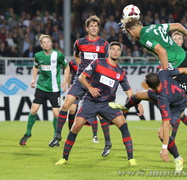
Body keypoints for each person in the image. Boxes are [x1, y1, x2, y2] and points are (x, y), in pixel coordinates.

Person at [123, 18, 187, 153]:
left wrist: (165, 72)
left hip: (178, 64)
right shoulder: (154, 27)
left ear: (131, 30)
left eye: (129, 34)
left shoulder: (144, 37)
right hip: (184, 58)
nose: (131, 37)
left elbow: (162, 51)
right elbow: (178, 25)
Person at [55, 41, 142, 166]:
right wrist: (90, 88)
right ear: (109, 51)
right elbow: (81, 77)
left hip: (108, 104)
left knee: (123, 125)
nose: (116, 51)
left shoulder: (120, 72)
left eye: (118, 49)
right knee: (76, 126)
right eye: (113, 49)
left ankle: (131, 159)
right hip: (90, 102)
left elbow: (128, 91)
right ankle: (64, 158)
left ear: (120, 52)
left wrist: (137, 103)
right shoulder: (97, 62)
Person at [110, 67, 187, 172]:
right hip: (169, 94)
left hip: (177, 106)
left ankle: (178, 158)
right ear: (158, 77)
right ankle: (126, 107)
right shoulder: (163, 73)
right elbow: (184, 69)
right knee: (138, 95)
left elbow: (166, 124)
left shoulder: (163, 100)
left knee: (161, 134)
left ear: (148, 85)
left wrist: (164, 148)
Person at [49, 16, 111, 155]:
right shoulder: (79, 42)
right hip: (81, 79)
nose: (94, 28)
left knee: (101, 114)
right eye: (92, 26)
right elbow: (76, 55)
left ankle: (107, 143)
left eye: (96, 25)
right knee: (66, 105)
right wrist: (81, 68)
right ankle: (57, 136)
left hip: (96, 81)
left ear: (98, 28)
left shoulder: (104, 44)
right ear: (87, 28)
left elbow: (106, 62)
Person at [19, 34, 70, 146]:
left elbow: (66, 67)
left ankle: (55, 137)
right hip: (41, 87)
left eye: (48, 41)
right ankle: (28, 133)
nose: (47, 44)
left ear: (51, 43)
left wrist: (65, 82)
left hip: (54, 88)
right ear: (41, 45)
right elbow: (35, 66)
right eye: (44, 42)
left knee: (56, 114)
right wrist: (33, 79)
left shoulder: (58, 55)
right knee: (33, 110)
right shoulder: (38, 56)